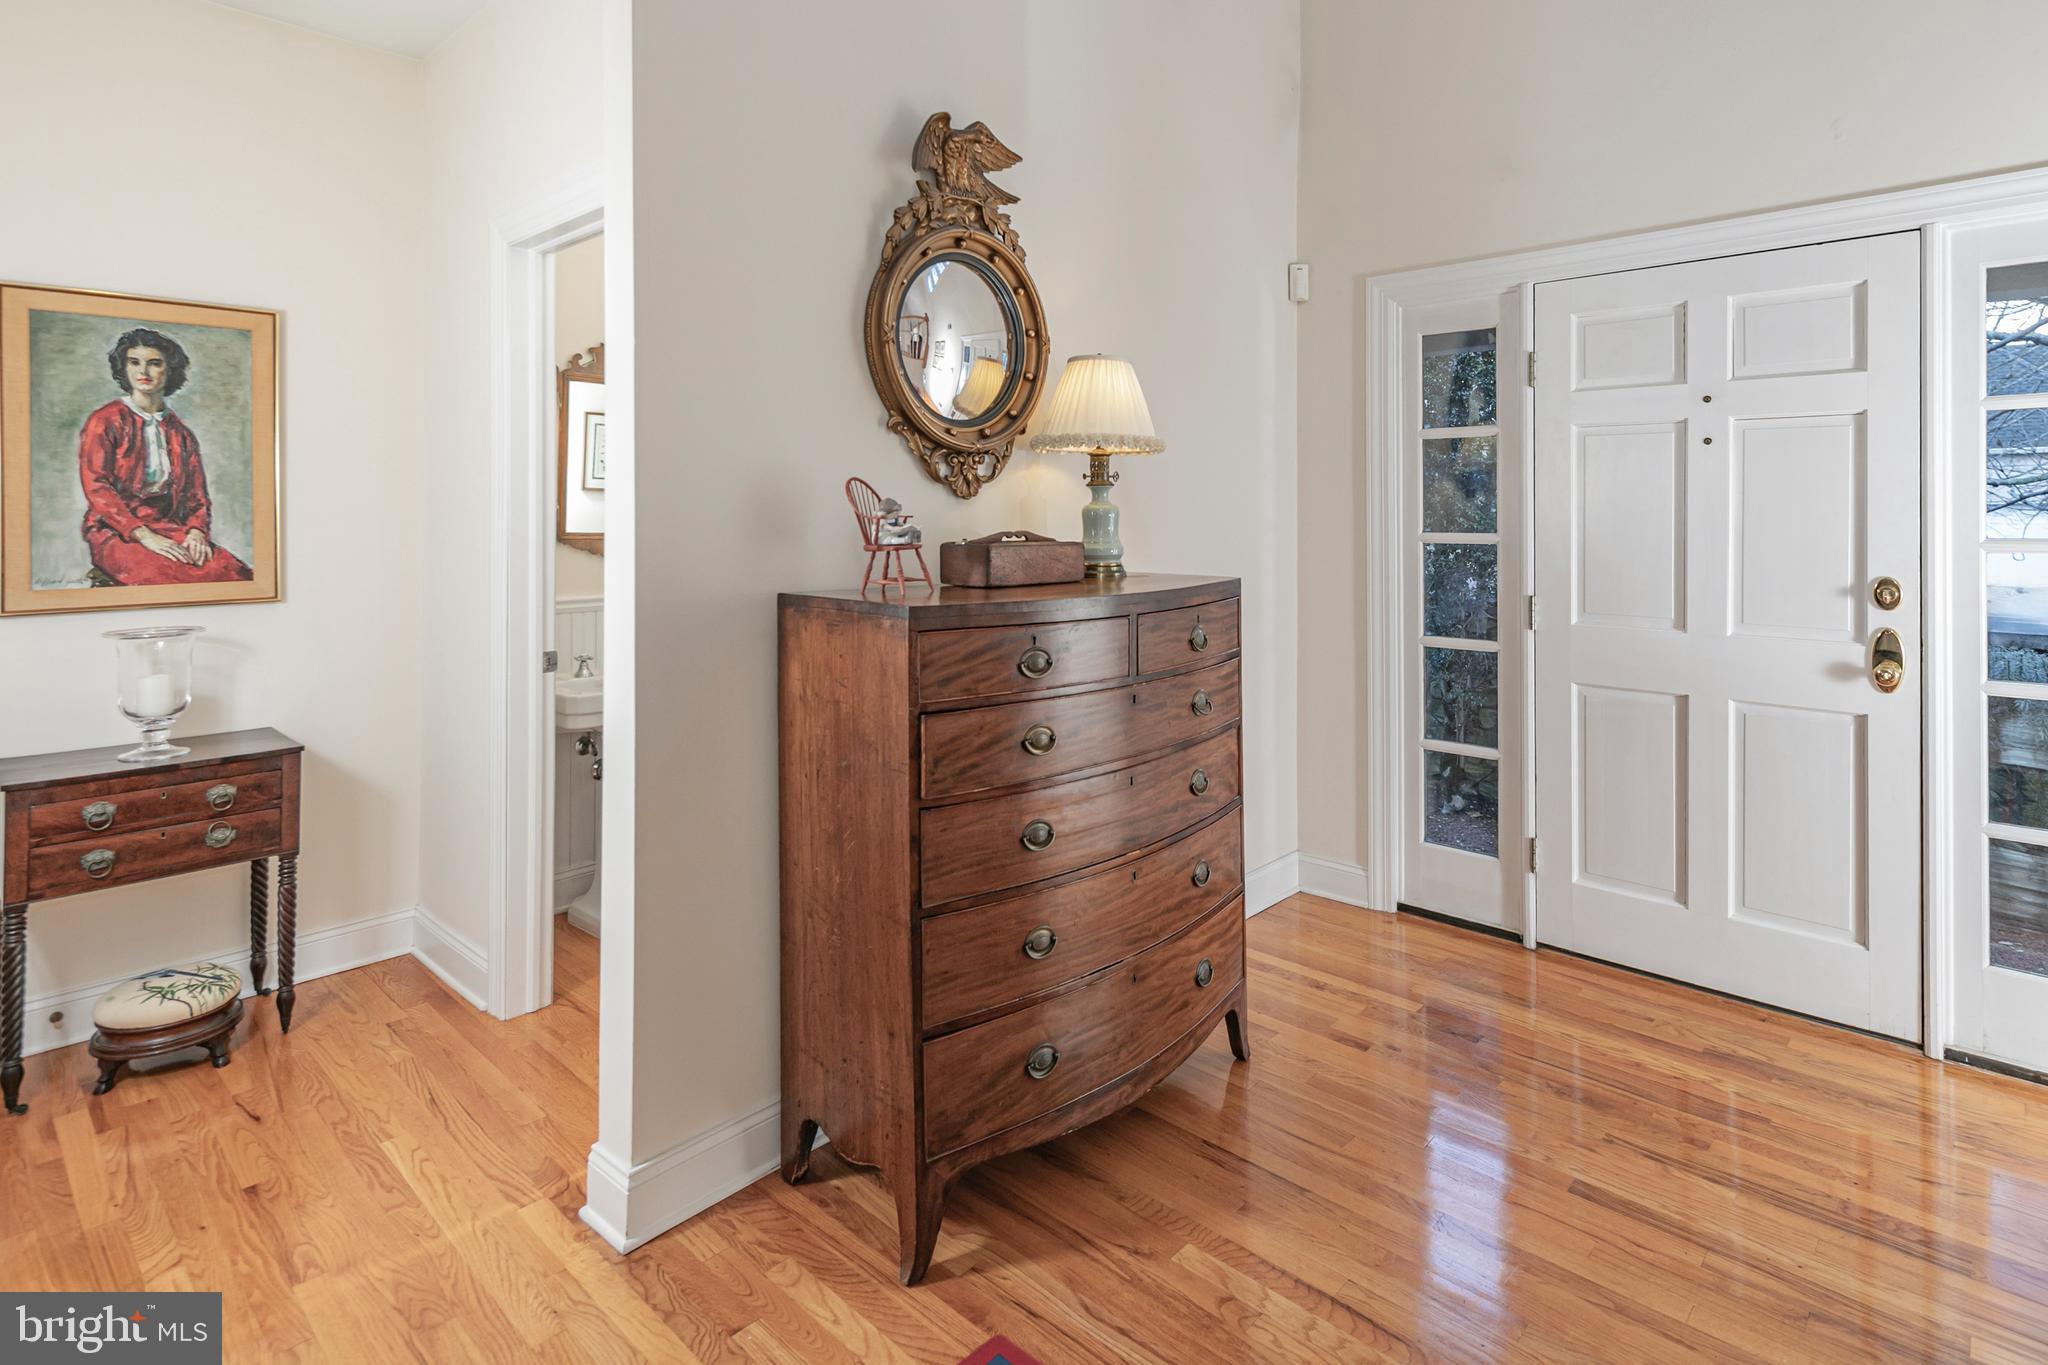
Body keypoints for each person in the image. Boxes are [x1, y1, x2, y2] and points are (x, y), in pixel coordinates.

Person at [77, 328, 251, 585]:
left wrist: (196, 531)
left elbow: (197, 497)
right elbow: (97, 488)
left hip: (170, 529)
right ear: (123, 368)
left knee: (235, 574)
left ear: (170, 370)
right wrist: (144, 536)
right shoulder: (104, 421)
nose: (143, 372)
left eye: (154, 363)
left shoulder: (181, 434)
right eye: (134, 362)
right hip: (117, 532)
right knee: (171, 578)